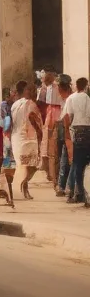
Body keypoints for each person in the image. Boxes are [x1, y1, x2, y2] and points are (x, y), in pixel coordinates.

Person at [10, 80, 43, 200]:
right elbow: (35, 120)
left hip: (17, 138)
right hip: (28, 139)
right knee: (33, 165)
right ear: (25, 91)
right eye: (30, 89)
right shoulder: (30, 104)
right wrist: (40, 135)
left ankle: (23, 186)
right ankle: (24, 185)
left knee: (24, 165)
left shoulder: (15, 105)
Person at [61, 76, 90, 206]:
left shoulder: (71, 98)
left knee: (76, 162)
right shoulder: (87, 98)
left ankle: (74, 192)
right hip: (86, 130)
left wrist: (68, 131)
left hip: (75, 130)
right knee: (83, 163)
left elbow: (68, 115)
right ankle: (79, 193)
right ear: (86, 86)